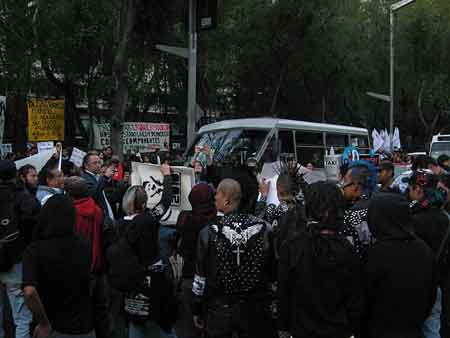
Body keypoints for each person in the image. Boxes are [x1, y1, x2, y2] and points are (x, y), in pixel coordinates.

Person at [277, 182, 364, 338]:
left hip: (302, 330)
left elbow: (284, 291)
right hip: (337, 329)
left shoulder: (293, 245)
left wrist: (283, 326)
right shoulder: (346, 247)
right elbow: (355, 298)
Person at [192, 178, 276, 338]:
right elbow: (273, 272)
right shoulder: (263, 228)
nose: (214, 197)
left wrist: (196, 307)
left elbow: (200, 277)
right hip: (255, 311)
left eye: (217, 194)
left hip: (220, 311)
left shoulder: (210, 232)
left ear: (227, 199)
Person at [22, 195, 108, 338]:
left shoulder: (35, 250)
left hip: (53, 327)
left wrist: (43, 323)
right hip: (84, 326)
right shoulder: (84, 245)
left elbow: (29, 291)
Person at [105, 164, 174, 338]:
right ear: (144, 203)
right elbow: (165, 201)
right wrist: (167, 176)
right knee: (162, 319)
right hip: (154, 277)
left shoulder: (117, 225)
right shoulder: (149, 220)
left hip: (131, 280)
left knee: (136, 319)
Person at [365, 193, 436, 338]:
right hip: (413, 329)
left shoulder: (377, 254)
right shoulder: (424, 250)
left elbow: (365, 298)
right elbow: (431, 295)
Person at [0, 160, 40, 338]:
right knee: (22, 314)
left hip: (11, 255)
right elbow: (34, 224)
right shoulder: (21, 197)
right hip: (15, 258)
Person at [408, 170, 450, 337]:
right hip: (439, 282)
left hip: (416, 283)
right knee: (433, 328)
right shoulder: (445, 217)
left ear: (417, 189)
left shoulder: (411, 220)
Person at [175, 183, 217, 338]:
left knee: (189, 326)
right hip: (213, 279)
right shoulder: (217, 221)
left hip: (190, 276)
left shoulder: (185, 219)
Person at [64, 176, 104, 273]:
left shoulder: (69, 212)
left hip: (74, 263)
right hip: (93, 260)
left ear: (69, 193)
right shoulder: (97, 210)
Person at [340, 161, 377, 259]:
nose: (343, 186)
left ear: (355, 185)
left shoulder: (352, 213)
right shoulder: (380, 204)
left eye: (345, 182)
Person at [81, 152, 115, 224]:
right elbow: (94, 193)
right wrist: (105, 177)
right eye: (95, 163)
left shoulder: (97, 176)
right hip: (97, 220)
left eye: (99, 162)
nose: (98, 165)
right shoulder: (85, 178)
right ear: (86, 166)